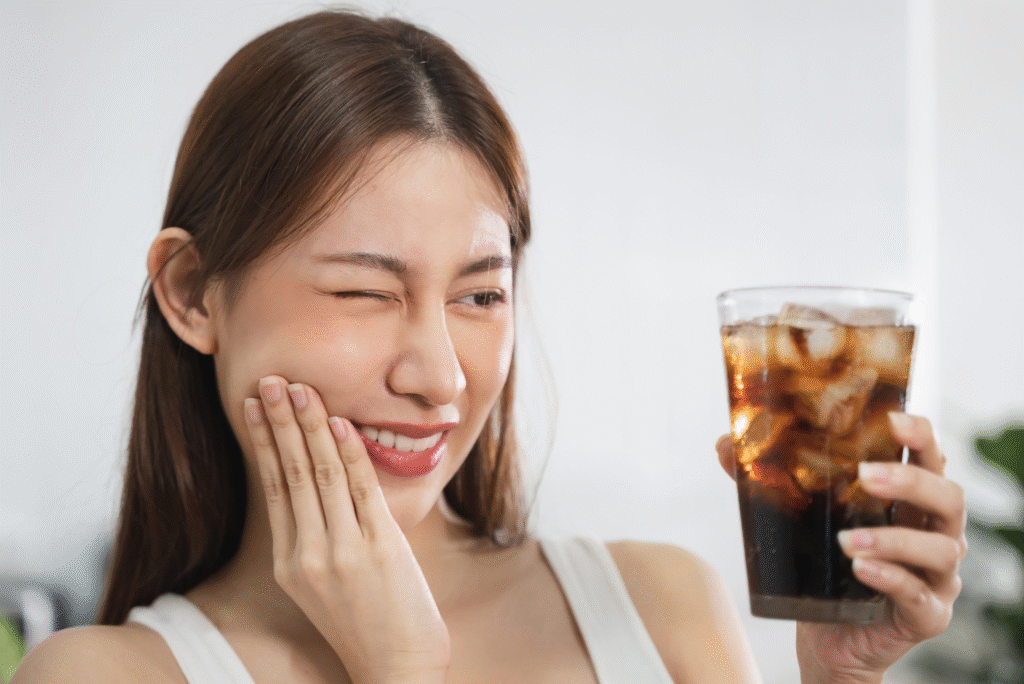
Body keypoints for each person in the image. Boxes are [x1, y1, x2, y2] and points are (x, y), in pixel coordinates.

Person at [13, 9, 965, 684]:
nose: (439, 376)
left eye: (479, 294)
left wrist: (842, 679)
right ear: (191, 294)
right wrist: (398, 669)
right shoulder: (104, 675)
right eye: (364, 290)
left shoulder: (658, 602)